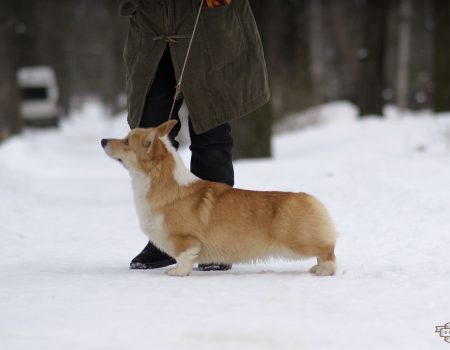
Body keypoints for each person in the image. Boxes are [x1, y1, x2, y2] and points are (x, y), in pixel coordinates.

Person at [119, 0, 269, 271]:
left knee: (211, 133)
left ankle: (217, 240)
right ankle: (165, 237)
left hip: (207, 26)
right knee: (152, 138)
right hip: (151, 29)